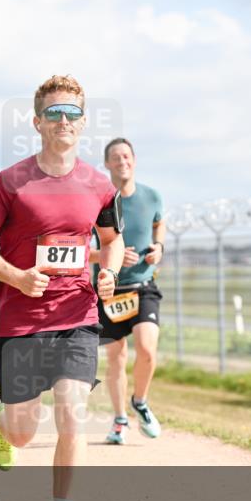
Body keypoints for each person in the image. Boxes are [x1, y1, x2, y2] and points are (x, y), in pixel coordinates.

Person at [0, 75, 124, 501]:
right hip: (19, 322)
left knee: (74, 412)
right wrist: (16, 276)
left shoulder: (98, 184)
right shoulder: (11, 182)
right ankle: (2, 422)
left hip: (77, 314)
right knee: (23, 432)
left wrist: (109, 274)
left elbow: (111, 241)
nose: (63, 121)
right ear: (36, 122)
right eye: (53, 113)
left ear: (84, 121)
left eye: (72, 113)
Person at [93, 138, 165, 444]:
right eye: (115, 157)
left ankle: (141, 401)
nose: (122, 161)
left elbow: (159, 224)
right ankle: (120, 419)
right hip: (109, 289)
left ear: (134, 160)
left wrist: (158, 247)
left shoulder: (151, 196)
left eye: (126, 156)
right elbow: (82, 251)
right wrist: (112, 256)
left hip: (142, 287)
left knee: (147, 350)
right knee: (116, 358)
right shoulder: (97, 199)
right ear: (107, 164)